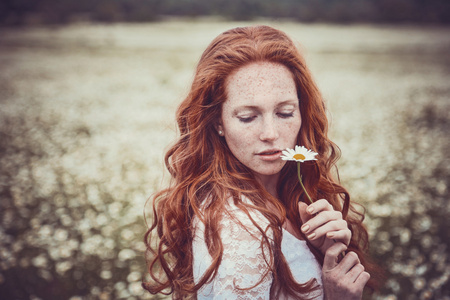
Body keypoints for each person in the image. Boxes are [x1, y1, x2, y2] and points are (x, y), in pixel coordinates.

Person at [143, 25, 379, 299]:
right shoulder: (240, 230)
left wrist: (327, 253)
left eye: (285, 112)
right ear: (218, 122)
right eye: (247, 117)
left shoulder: (294, 198)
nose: (271, 134)